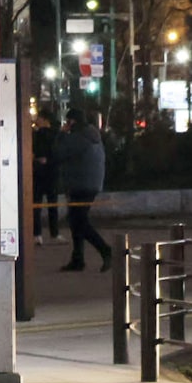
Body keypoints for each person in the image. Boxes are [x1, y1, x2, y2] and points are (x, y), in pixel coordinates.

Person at [54, 107, 112, 272]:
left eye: (68, 121)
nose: (67, 124)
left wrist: (62, 133)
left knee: (79, 222)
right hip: (89, 183)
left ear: (73, 121)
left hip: (80, 184)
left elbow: (58, 152)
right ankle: (78, 258)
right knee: (76, 221)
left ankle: (105, 250)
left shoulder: (79, 137)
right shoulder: (91, 135)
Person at [31, 110, 63, 245]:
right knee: (52, 204)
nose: (36, 120)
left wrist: (38, 160)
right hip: (52, 173)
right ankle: (54, 233)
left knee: (36, 205)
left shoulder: (36, 135)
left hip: (38, 173)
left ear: (45, 120)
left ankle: (37, 234)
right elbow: (59, 154)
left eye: (39, 117)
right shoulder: (56, 135)